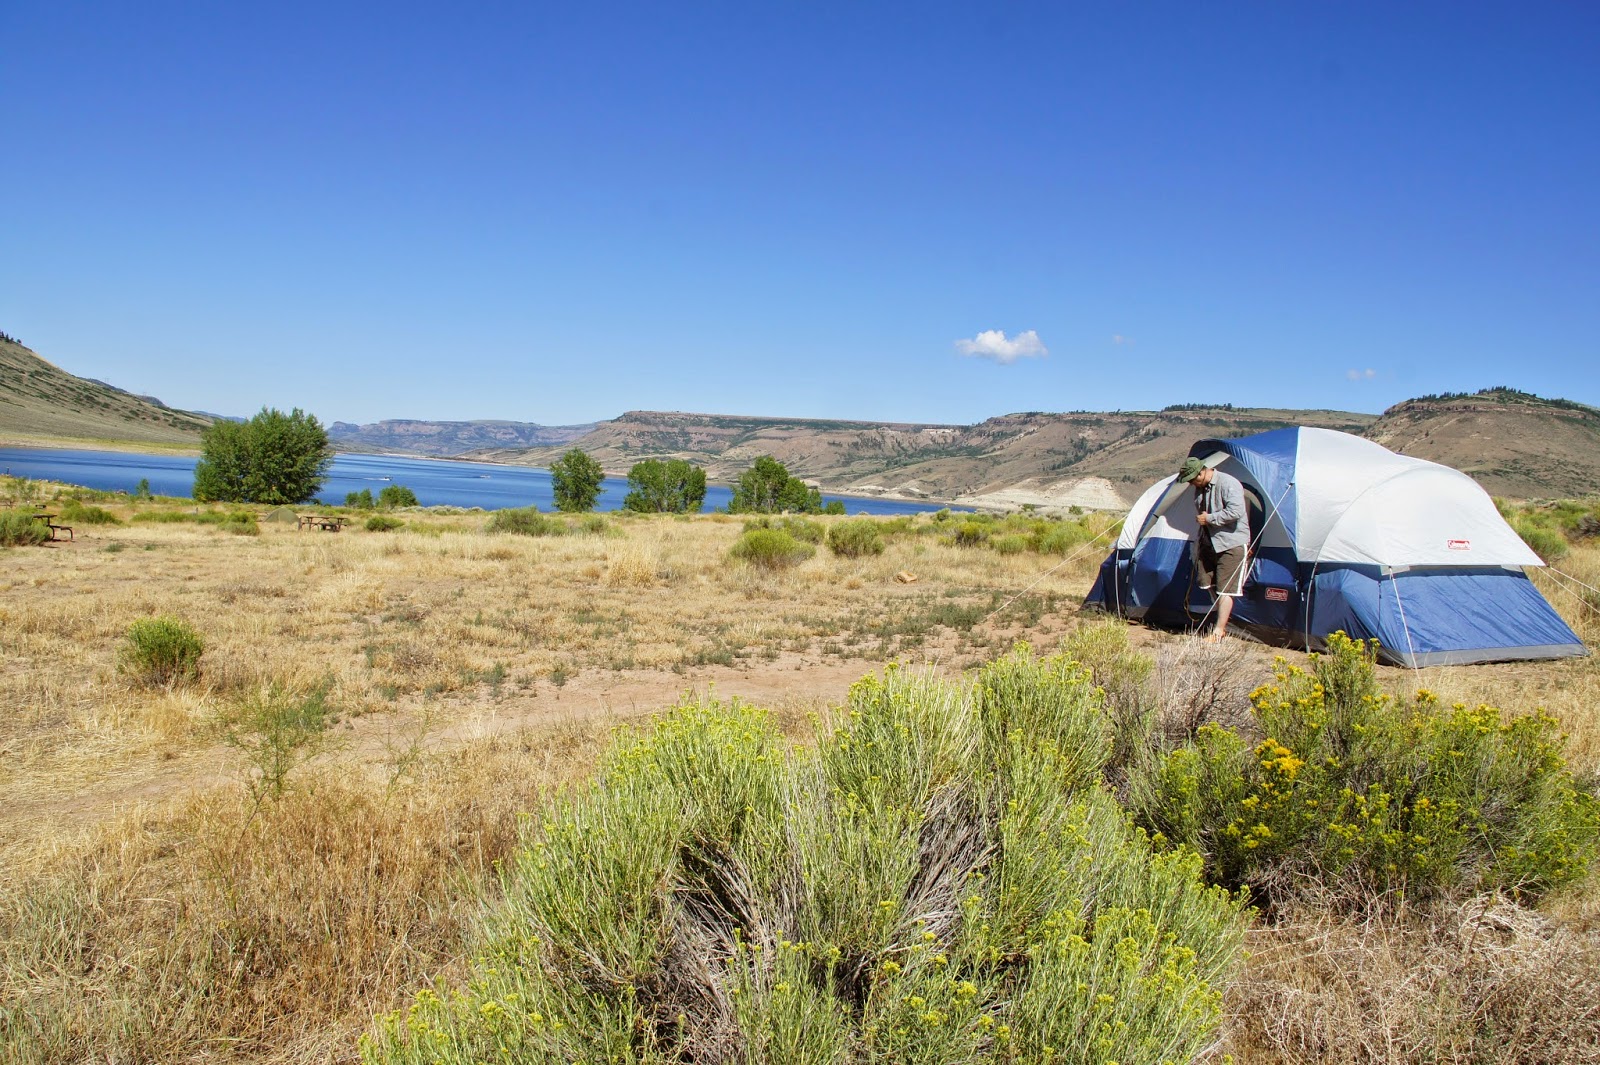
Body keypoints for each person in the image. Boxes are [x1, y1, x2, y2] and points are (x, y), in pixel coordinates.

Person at [1176, 457, 1250, 642]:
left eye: (1192, 480)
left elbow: (1236, 511)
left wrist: (1209, 518)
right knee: (1208, 583)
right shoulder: (1200, 489)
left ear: (1201, 472)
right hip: (1209, 543)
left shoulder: (1228, 483)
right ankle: (1220, 620)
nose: (1191, 484)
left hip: (1230, 543)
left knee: (1225, 589)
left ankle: (1218, 631)